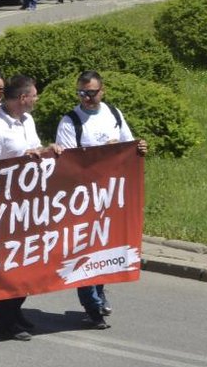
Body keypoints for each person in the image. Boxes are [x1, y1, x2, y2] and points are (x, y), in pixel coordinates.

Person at [55, 70, 148, 329]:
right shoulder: (70, 121)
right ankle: (92, 306)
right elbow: (69, 164)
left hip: (111, 197)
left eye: (91, 93)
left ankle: (99, 291)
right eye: (82, 93)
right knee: (85, 250)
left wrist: (139, 148)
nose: (86, 98)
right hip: (82, 200)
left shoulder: (113, 114)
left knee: (103, 247)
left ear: (102, 91)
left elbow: (128, 146)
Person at [0, 75, 61, 340]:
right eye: (34, 95)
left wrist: (47, 150)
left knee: (29, 262)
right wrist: (20, 160)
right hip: (6, 207)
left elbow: (34, 147)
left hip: (31, 205)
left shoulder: (28, 120)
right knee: (10, 264)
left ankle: (16, 310)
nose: (37, 100)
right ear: (22, 98)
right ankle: (5, 322)